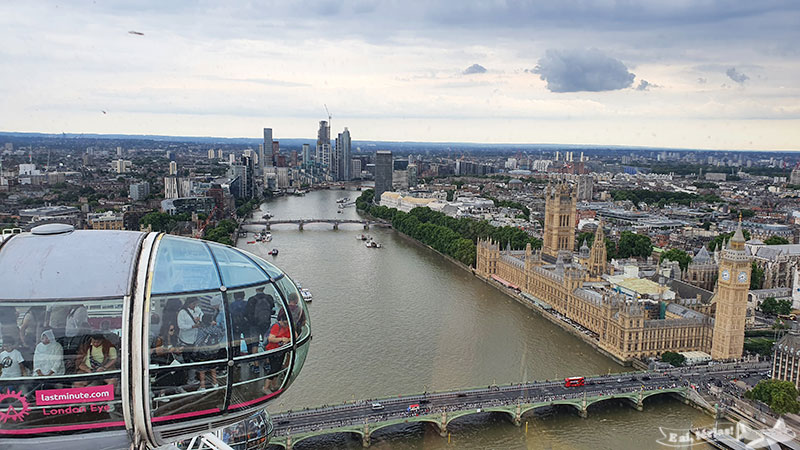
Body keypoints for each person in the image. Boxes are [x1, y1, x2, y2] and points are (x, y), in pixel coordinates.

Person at [264, 310, 291, 392]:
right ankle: (265, 387)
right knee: (274, 369)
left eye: (287, 324)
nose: (286, 325)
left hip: (281, 350)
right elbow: (271, 338)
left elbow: (295, 335)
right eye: (285, 323)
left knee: (278, 368)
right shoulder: (276, 326)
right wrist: (282, 339)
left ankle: (274, 385)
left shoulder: (287, 327)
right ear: (281, 321)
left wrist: (288, 339)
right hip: (273, 351)